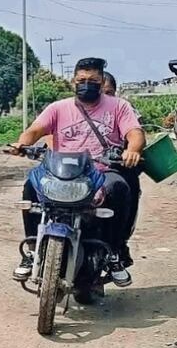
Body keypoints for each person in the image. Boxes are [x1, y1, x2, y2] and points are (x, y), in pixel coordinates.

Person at [8, 57, 144, 286]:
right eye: (82, 79)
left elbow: (135, 133)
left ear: (102, 82)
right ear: (73, 81)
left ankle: (113, 254)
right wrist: (22, 143)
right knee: (32, 184)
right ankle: (32, 252)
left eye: (93, 80)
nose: (87, 84)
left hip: (100, 171)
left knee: (119, 187)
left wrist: (132, 149)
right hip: (60, 171)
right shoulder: (58, 108)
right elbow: (35, 130)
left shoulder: (118, 106)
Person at [102, 71, 143, 264]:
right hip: (82, 166)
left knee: (128, 187)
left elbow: (136, 133)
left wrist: (132, 150)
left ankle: (119, 244)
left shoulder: (123, 109)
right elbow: (52, 133)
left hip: (117, 164)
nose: (104, 96)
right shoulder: (72, 107)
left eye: (108, 92)